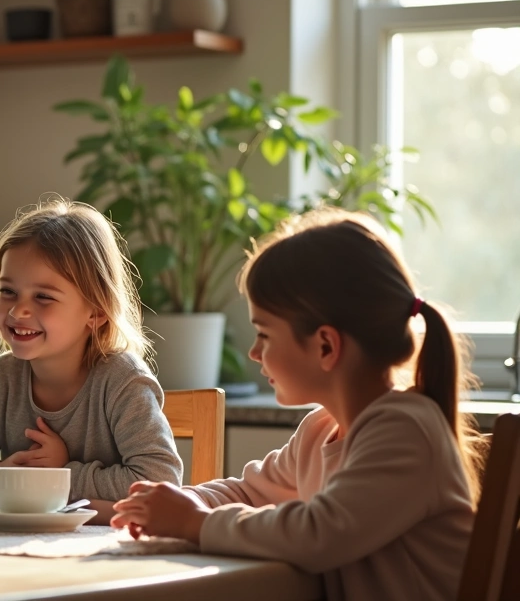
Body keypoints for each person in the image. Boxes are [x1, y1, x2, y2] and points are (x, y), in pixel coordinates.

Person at [111, 209, 484, 601]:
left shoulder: (405, 430)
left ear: (325, 345)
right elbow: (249, 493)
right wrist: (180, 502)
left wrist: (195, 522)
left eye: (264, 334)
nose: (254, 353)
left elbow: (319, 533)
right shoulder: (320, 429)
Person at [0, 198, 183, 524]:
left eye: (43, 297)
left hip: (106, 558)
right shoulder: (2, 376)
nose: (18, 311)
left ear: (95, 312)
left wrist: (56, 475)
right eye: (8, 291)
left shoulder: (122, 379)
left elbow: (159, 481)